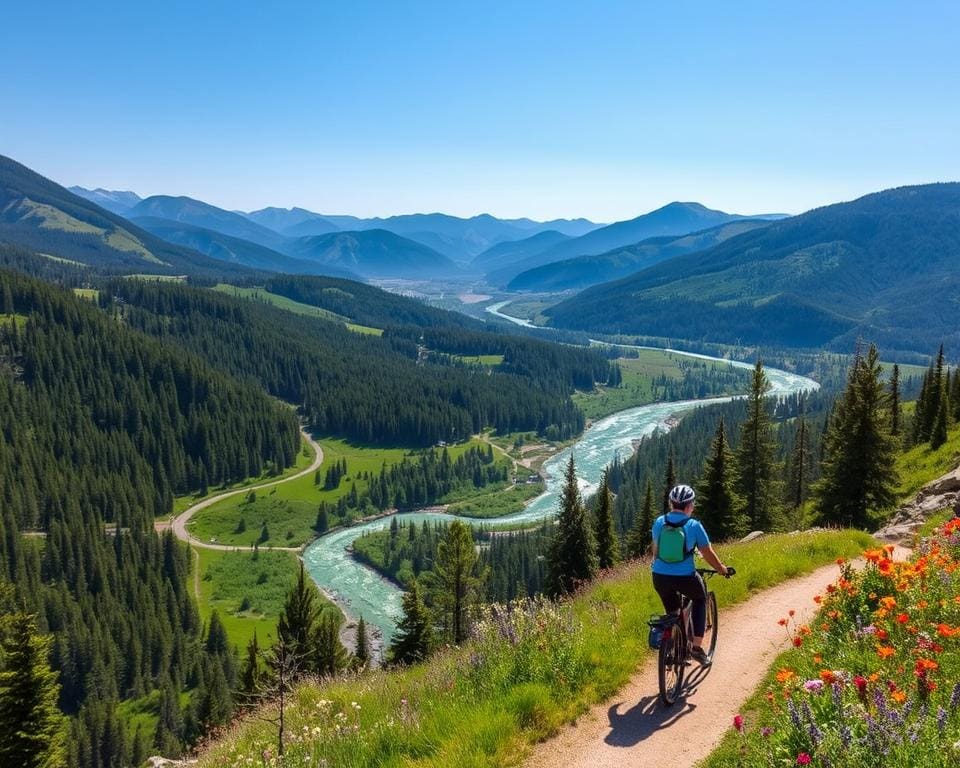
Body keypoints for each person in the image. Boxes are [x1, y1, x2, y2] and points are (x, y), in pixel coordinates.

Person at [651, 484, 730, 666]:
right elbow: (707, 553)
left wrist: (657, 566)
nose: (693, 507)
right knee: (700, 599)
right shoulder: (694, 525)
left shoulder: (659, 522)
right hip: (685, 577)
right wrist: (721, 569)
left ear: (672, 504)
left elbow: (656, 550)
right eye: (692, 504)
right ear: (688, 506)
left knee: (673, 612)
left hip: (660, 577)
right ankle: (696, 648)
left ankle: (672, 648)